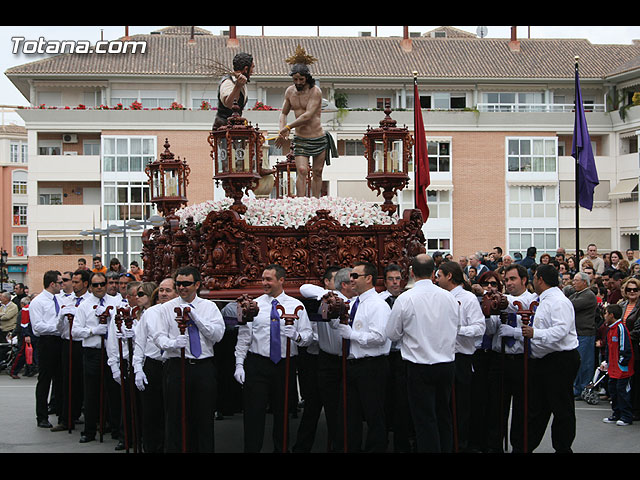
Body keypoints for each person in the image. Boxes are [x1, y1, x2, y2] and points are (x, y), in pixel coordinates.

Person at [233, 264, 312, 452]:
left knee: (283, 414)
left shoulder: (296, 305)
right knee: (254, 414)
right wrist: (239, 364)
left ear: (281, 280)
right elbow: (244, 337)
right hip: (257, 364)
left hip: (284, 365)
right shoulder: (254, 305)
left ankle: (281, 449)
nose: (264, 283)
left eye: (269, 279)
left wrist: (297, 336)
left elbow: (308, 336)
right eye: (263, 279)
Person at [386, 254, 460, 453]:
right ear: (434, 273)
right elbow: (457, 326)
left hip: (419, 367)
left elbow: (392, 333)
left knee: (424, 419)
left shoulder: (405, 299)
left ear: (411, 273)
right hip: (446, 364)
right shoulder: (449, 298)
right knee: (443, 415)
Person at [152, 266, 225, 453]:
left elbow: (217, 335)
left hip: (203, 367)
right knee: (176, 417)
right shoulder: (166, 308)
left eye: (186, 284)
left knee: (204, 417)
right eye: (179, 284)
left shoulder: (209, 307)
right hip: (177, 365)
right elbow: (159, 337)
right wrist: (173, 343)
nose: (182, 288)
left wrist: (196, 318)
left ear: (197, 284)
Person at [330, 261, 391, 453]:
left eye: (356, 276)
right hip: (353, 364)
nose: (351, 279)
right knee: (349, 414)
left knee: (374, 415)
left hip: (371, 365)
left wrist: (352, 335)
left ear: (369, 278)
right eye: (351, 276)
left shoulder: (378, 305)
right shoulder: (355, 302)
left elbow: (380, 337)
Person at [521, 264, 580, 453]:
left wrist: (534, 333)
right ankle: (526, 446)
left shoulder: (558, 301)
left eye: (534, 276)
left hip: (559, 360)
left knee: (561, 408)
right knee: (538, 408)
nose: (532, 280)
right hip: (544, 360)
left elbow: (561, 330)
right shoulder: (544, 300)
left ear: (540, 279)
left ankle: (563, 448)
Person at [298, 266, 354, 452]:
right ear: (345, 284)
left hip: (349, 361)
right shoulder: (325, 299)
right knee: (327, 408)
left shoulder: (356, 302)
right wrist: (332, 295)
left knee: (346, 410)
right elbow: (304, 288)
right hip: (326, 361)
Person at [436, 261, 485, 453]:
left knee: (460, 408)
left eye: (439, 275)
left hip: (460, 358)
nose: (436, 279)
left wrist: (457, 330)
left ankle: (460, 445)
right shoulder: (438, 297)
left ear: (449, 276)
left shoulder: (468, 299)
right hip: (440, 357)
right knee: (443, 407)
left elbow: (479, 327)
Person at [293, 265, 340, 453]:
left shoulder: (344, 301)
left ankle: (336, 445)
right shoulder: (316, 301)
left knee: (334, 409)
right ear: (327, 282)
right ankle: (302, 447)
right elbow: (305, 288)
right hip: (313, 361)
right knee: (312, 407)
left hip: (331, 361)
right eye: (335, 279)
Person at [276, 56, 337, 198]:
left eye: (301, 79)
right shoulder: (289, 92)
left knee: (317, 171)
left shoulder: (315, 91)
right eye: (295, 79)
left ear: (307, 78)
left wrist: (288, 127)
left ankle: (316, 202)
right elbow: (283, 113)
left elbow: (308, 115)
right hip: (301, 138)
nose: (298, 82)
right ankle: (301, 201)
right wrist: (281, 130)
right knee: (302, 170)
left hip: (318, 137)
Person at [71, 271, 121, 444]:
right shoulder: (84, 305)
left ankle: (116, 429)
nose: (99, 288)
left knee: (114, 391)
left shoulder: (116, 302)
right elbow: (75, 331)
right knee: (91, 392)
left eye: (102, 284)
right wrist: (93, 331)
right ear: (90, 287)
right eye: (95, 285)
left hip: (112, 351)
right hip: (93, 351)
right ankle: (90, 430)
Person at [134, 279, 175, 453]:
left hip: (172, 365)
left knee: (171, 412)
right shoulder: (150, 313)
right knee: (151, 413)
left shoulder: (180, 311)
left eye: (168, 290)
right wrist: (137, 369)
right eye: (161, 290)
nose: (163, 294)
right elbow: (139, 342)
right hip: (153, 365)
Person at [51, 269, 91, 432]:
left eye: (76, 282)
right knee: (68, 381)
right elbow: (58, 328)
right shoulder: (66, 300)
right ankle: (66, 418)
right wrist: (62, 317)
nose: (73, 285)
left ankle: (88, 418)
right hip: (68, 343)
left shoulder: (90, 301)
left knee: (85, 382)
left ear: (85, 284)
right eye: (72, 282)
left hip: (84, 343)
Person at [380, 263, 414, 453]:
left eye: (397, 279)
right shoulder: (380, 301)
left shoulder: (407, 299)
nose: (395, 283)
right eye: (391, 279)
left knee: (402, 401)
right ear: (384, 282)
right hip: (384, 356)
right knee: (384, 399)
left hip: (402, 356)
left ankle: (402, 444)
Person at [29, 270, 64, 429]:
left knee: (60, 379)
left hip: (59, 341)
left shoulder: (59, 298)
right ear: (52, 284)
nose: (62, 285)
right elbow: (37, 327)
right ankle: (41, 416)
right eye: (60, 282)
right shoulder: (38, 302)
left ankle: (59, 409)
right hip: (47, 342)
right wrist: (56, 328)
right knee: (45, 380)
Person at [601, 303, 634, 426]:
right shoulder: (610, 329)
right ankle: (616, 414)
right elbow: (609, 348)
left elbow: (624, 347)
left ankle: (626, 416)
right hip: (613, 369)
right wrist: (607, 362)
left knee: (622, 392)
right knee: (613, 391)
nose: (604, 316)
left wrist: (622, 362)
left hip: (622, 369)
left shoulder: (620, 328)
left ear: (611, 315)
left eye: (606, 313)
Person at [569, 272, 598, 400]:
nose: (573, 283)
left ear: (584, 282)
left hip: (585, 333)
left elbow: (571, 305)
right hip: (577, 333)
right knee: (577, 362)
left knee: (585, 363)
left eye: (576, 280)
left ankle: (583, 387)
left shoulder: (589, 296)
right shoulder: (576, 294)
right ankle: (576, 387)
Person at [213, 52, 254, 129]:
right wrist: (237, 87)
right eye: (252, 68)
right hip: (223, 130)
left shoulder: (242, 83)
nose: (252, 72)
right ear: (246, 69)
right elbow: (230, 104)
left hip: (234, 128)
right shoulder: (228, 82)